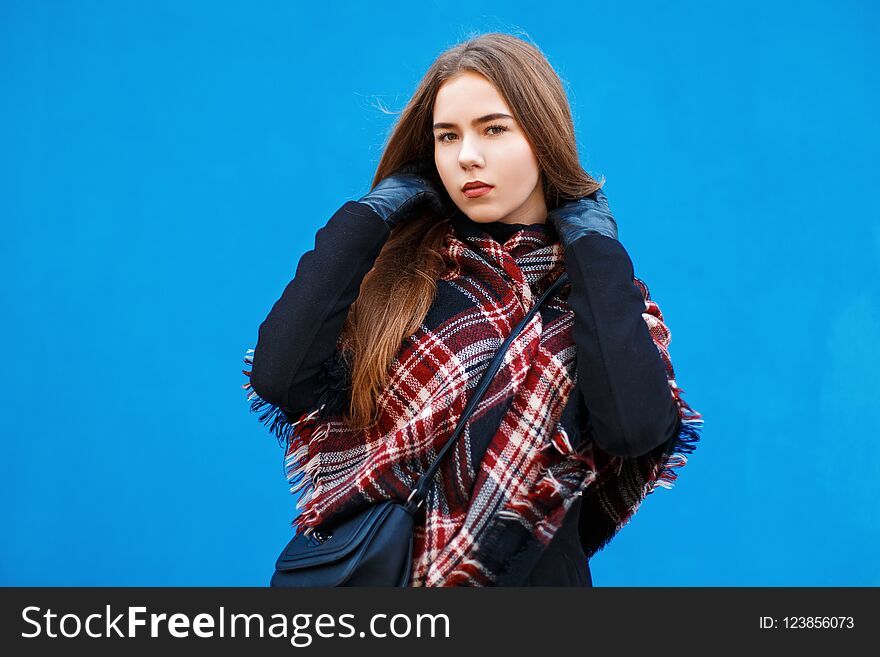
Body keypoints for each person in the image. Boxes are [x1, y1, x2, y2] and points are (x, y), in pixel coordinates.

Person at [241, 32, 703, 587]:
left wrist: (592, 246)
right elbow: (280, 377)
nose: (467, 156)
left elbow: (634, 429)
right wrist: (375, 212)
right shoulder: (401, 277)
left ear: (543, 137)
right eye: (446, 136)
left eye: (494, 129)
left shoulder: (599, 293)